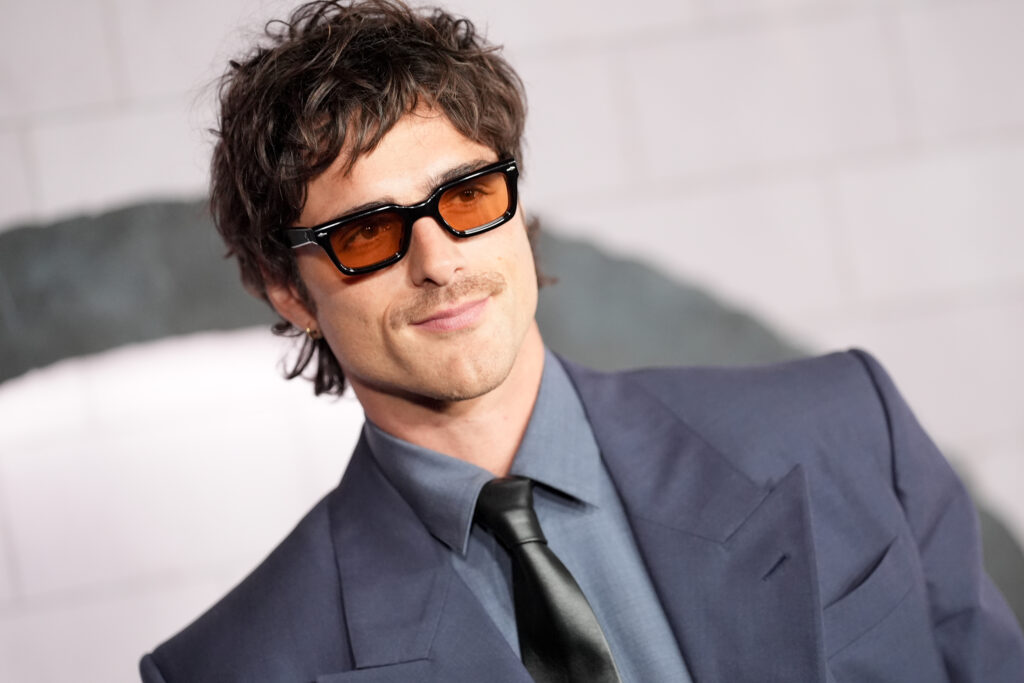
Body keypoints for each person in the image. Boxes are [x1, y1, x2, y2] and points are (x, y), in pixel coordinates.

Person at [140, 1, 1024, 681]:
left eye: (468, 194)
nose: (439, 262)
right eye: (367, 233)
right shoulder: (236, 666)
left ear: (516, 204)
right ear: (288, 289)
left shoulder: (844, 427)